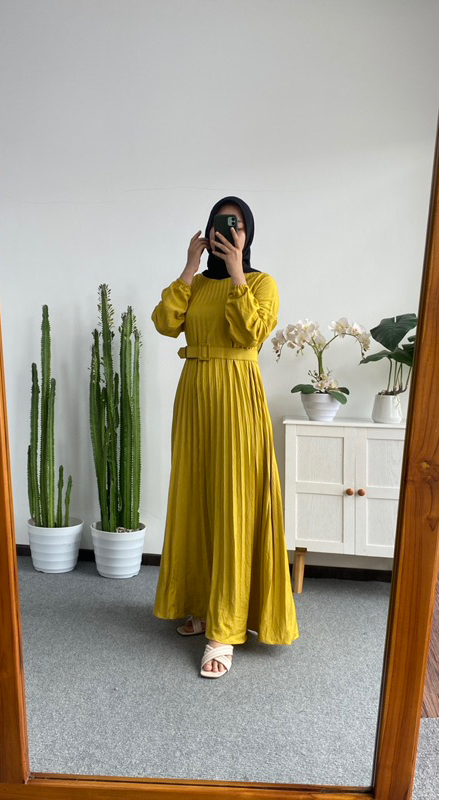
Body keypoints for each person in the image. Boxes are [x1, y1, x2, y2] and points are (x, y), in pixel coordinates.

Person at [150, 196, 299, 679]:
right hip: (195, 397)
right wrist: (189, 267)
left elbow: (251, 332)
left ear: (247, 233)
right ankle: (200, 603)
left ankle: (226, 629)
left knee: (235, 503)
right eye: (220, 222)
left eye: (236, 225)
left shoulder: (261, 283)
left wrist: (236, 272)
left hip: (237, 398)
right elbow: (165, 323)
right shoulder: (194, 285)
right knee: (195, 499)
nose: (228, 231)